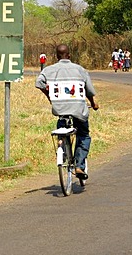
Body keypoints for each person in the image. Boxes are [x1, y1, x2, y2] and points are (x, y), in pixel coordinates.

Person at [35, 44, 99, 180]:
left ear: (57, 56)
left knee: (62, 125)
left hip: (60, 109)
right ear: (69, 56)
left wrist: (50, 96)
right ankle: (79, 166)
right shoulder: (79, 70)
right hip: (79, 110)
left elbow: (39, 83)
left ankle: (61, 144)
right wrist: (93, 104)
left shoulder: (49, 70)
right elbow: (89, 91)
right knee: (84, 135)